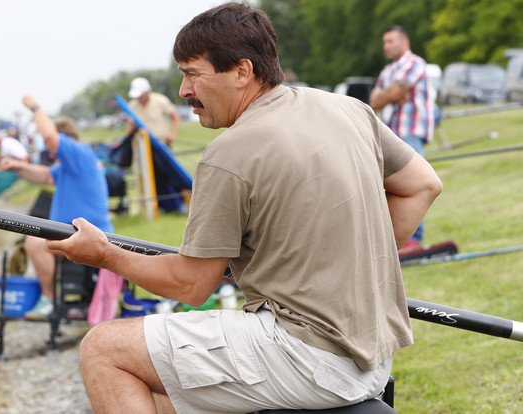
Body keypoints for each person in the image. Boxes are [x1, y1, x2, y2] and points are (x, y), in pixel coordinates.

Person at [46, 4, 442, 413]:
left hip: (305, 358)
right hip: (373, 356)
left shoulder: (228, 154)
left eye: (192, 73)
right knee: (155, 398)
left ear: (241, 71)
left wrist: (105, 255)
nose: (184, 90)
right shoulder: (348, 109)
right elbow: (423, 185)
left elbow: (191, 286)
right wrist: (351, 264)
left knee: (103, 349)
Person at [0, 94, 114, 320]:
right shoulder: (70, 166)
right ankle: (50, 298)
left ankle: (48, 300)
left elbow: (50, 136)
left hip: (89, 236)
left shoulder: (78, 152)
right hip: (73, 235)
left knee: (34, 240)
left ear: (65, 140)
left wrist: (34, 107)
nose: (50, 153)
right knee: (38, 238)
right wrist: (16, 166)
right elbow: (44, 176)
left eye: (53, 148)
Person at [370, 25, 435, 251]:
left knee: (414, 183)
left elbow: (385, 96)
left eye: (390, 41)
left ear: (404, 41)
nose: (386, 46)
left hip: (410, 131)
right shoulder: (388, 71)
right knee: (388, 186)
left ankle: (413, 240)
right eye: (384, 42)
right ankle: (395, 240)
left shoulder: (415, 63)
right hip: (390, 134)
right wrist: (391, 95)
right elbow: (374, 101)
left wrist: (387, 95)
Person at [127, 77, 181, 146]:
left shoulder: (160, 100)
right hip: (141, 144)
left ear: (147, 91)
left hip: (161, 143)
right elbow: (131, 126)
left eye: (141, 95)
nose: (139, 97)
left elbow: (175, 116)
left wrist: (172, 134)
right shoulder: (132, 106)